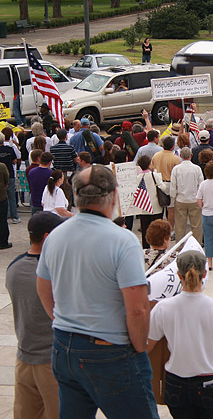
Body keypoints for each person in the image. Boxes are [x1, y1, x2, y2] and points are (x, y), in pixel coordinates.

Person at [36, 165, 159, 418]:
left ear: (75, 197)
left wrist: (62, 321)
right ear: (114, 196)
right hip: (109, 349)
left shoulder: (56, 236)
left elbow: (43, 286)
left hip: (64, 345)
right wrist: (138, 348)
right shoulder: (122, 240)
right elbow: (137, 308)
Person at [148, 251, 213, 418]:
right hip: (209, 384)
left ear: (178, 275)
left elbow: (147, 346)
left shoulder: (162, 308)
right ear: (205, 273)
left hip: (175, 383)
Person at [7, 212, 65, 419]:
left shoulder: (14, 267)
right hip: (51, 361)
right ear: (48, 237)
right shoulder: (52, 272)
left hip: (24, 356)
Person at [135, 155, 169, 248]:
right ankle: (157, 246)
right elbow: (163, 187)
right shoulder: (155, 175)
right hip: (156, 206)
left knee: (145, 229)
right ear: (149, 164)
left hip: (144, 207)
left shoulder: (138, 177)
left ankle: (146, 248)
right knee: (157, 229)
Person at [171, 147, 204, 243]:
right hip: (194, 200)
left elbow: (173, 186)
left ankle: (180, 247)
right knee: (196, 225)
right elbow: (201, 185)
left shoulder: (176, 169)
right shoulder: (197, 168)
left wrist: (173, 198)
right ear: (191, 156)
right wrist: (200, 199)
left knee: (180, 226)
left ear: (180, 156)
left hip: (180, 199)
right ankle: (196, 245)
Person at [0, 131, 20, 223]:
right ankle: (14, 216)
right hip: (10, 174)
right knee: (11, 196)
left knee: (2, 197)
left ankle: (5, 215)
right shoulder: (9, 149)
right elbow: (15, 161)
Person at [28, 152, 53, 216]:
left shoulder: (31, 172)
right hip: (47, 202)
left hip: (35, 200)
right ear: (50, 162)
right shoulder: (51, 174)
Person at [0, 160, 9, 249]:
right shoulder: (2, 166)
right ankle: (3, 242)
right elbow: (7, 179)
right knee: (2, 220)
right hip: (1, 196)